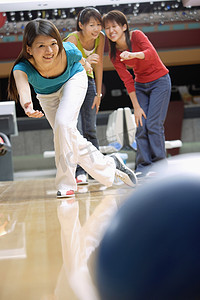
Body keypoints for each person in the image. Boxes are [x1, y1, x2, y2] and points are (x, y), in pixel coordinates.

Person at [7, 18, 137, 198]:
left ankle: (66, 183)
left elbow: (83, 63)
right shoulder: (22, 67)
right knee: (67, 133)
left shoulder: (68, 51)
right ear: (29, 49)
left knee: (63, 124)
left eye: (53, 43)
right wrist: (27, 105)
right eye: (41, 46)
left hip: (74, 80)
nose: (49, 50)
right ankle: (111, 164)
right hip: (46, 95)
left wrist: (90, 74)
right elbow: (23, 90)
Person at [103, 10, 171, 177]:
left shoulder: (137, 36)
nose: (111, 31)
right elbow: (128, 80)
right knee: (140, 125)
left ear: (124, 26)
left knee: (153, 124)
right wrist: (136, 107)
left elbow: (151, 54)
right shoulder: (114, 55)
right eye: (107, 28)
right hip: (141, 86)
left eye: (115, 26)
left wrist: (133, 54)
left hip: (159, 82)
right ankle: (143, 166)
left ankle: (160, 166)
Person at [63, 7, 104, 185]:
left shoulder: (100, 37)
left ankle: (97, 170)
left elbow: (99, 64)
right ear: (81, 25)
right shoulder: (73, 38)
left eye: (98, 24)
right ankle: (80, 171)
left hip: (89, 83)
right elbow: (67, 63)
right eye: (91, 25)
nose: (96, 29)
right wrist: (86, 62)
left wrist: (99, 93)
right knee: (76, 129)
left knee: (91, 128)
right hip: (71, 83)